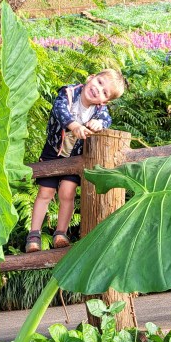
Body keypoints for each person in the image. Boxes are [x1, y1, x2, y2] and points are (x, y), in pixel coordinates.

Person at [25, 68, 125, 252]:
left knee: (67, 192)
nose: (98, 90)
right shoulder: (69, 93)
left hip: (75, 156)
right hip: (53, 150)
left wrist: (99, 123)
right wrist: (74, 125)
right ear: (91, 78)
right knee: (46, 192)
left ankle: (60, 233)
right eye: (99, 82)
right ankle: (34, 234)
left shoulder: (99, 111)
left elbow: (107, 119)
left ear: (104, 101)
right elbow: (59, 109)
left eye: (105, 93)